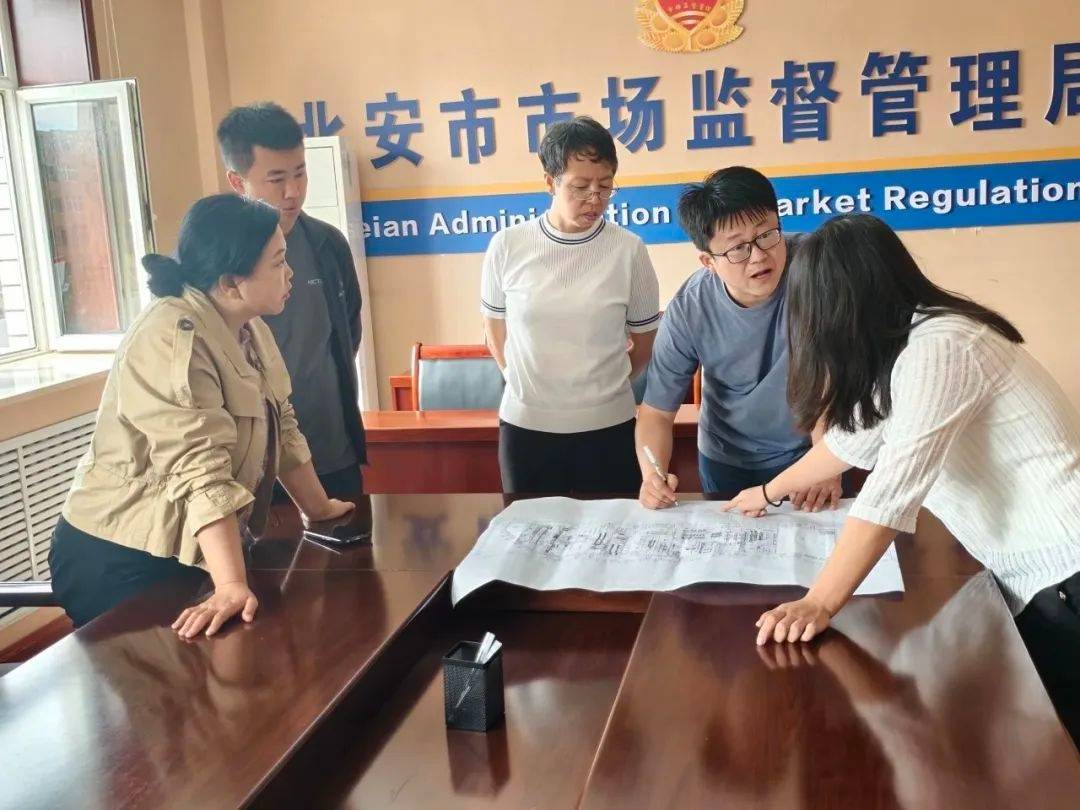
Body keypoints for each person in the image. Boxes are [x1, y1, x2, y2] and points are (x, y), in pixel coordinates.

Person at [725, 213, 1080, 743]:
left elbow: (892, 489)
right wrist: (766, 492)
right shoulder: (913, 345)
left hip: (1066, 572)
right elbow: (852, 442)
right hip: (1039, 576)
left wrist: (818, 602)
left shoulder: (941, 347)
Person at [49, 195, 354, 634]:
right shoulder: (173, 338)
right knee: (195, 669)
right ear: (231, 283)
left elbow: (281, 423)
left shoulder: (248, 325)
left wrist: (318, 508)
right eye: (278, 263)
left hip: (193, 545)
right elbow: (199, 468)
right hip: (121, 557)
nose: (290, 273)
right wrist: (230, 584)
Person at [637, 167, 843, 507]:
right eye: (738, 249)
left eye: (767, 235)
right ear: (708, 261)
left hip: (809, 454)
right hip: (727, 459)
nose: (759, 256)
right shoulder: (691, 308)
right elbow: (656, 412)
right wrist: (652, 475)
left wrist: (826, 462)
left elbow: (830, 377)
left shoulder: (817, 270)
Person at [481, 116, 660, 494]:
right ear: (550, 182)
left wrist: (600, 390)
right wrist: (523, 383)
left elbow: (645, 343)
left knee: (611, 529)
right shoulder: (507, 246)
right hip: (526, 429)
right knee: (528, 529)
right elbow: (495, 331)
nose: (595, 199)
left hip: (609, 429)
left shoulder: (629, 250)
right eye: (580, 187)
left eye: (605, 186)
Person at [217, 102, 366, 500]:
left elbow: (347, 334)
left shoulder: (328, 244)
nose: (293, 191)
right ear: (237, 182)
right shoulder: (214, 263)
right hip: (253, 471)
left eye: (300, 173)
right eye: (277, 179)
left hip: (332, 454)